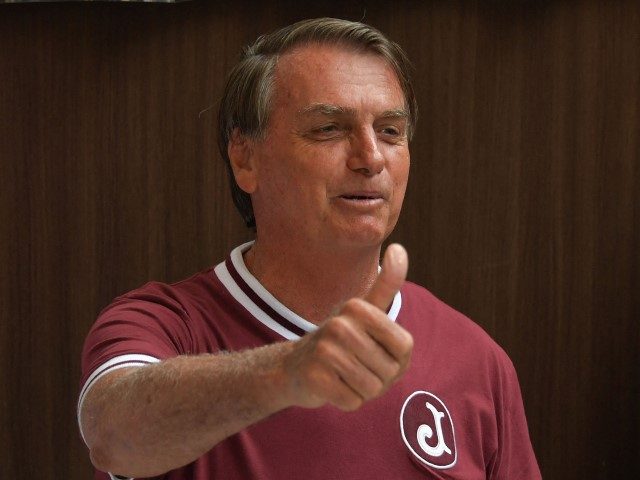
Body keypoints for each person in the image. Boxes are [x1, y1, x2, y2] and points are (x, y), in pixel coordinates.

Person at [78, 18, 541, 480]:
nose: (371, 157)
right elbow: (111, 438)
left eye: (390, 131)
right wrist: (289, 371)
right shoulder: (160, 324)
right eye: (328, 128)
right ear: (245, 157)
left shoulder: (478, 359)